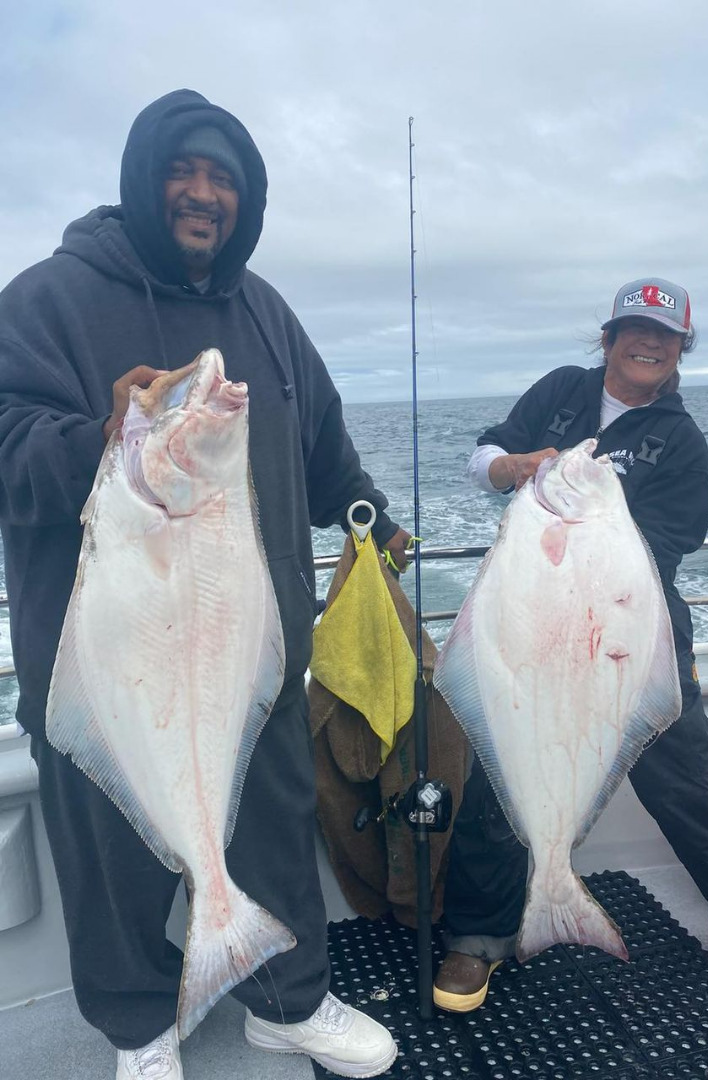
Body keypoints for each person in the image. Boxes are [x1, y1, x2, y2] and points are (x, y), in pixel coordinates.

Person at [0, 90, 409, 1079]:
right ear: (144, 179)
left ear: (246, 199)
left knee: (270, 825)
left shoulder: (265, 313)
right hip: (103, 660)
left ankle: (287, 1001)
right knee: (108, 848)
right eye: (182, 170)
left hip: (245, 649)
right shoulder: (46, 300)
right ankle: (143, 1031)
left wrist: (370, 518)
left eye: (223, 178)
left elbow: (321, 446)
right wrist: (100, 437)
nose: (201, 193)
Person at [432, 277, 708, 1023]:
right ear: (608, 339)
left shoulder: (682, 441)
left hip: (629, 639)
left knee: (693, 778)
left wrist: (586, 507)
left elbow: (667, 546)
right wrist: (510, 469)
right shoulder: (561, 392)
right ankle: (481, 931)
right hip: (531, 624)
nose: (648, 344)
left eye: (665, 337)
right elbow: (487, 455)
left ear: (680, 352)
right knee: (500, 771)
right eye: (633, 330)